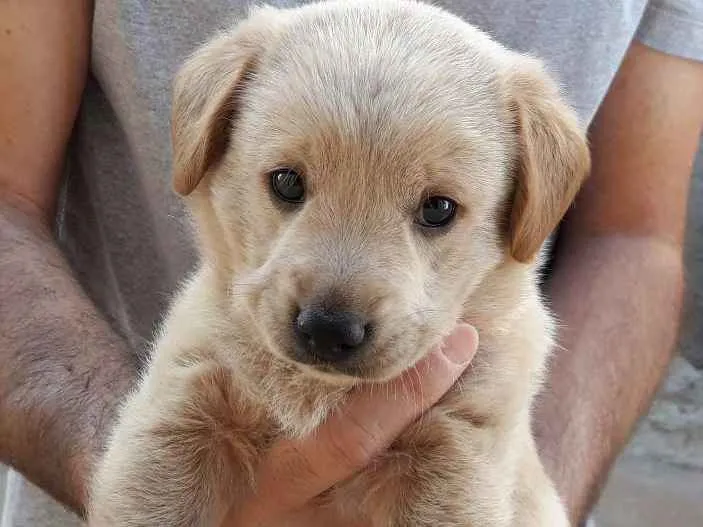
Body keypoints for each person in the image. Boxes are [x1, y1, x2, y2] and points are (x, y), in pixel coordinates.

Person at [0, 0, 701, 526]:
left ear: (528, 203)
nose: (334, 309)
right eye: (287, 185)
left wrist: (523, 484)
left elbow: (634, 237)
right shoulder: (219, 317)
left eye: (436, 211)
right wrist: (126, 463)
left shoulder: (494, 343)